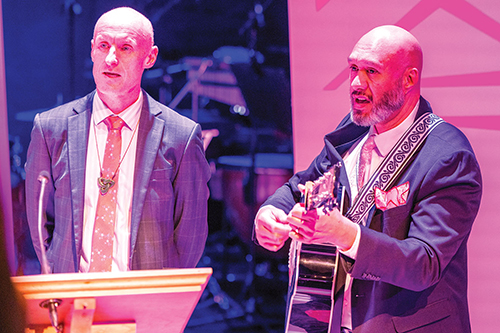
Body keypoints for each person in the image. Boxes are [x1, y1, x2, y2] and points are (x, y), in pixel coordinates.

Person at [254, 25, 482, 332]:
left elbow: (423, 264)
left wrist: (344, 234)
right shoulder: (352, 132)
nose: (356, 84)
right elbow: (299, 187)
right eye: (353, 68)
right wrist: (269, 214)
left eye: (372, 72)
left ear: (409, 79)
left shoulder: (448, 156)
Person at [25, 7, 210, 273]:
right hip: (72, 297)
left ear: (150, 57)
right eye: (103, 45)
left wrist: (159, 298)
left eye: (125, 48)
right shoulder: (50, 129)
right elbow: (40, 222)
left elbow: (190, 236)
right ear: (92, 50)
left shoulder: (181, 136)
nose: (111, 58)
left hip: (146, 300)